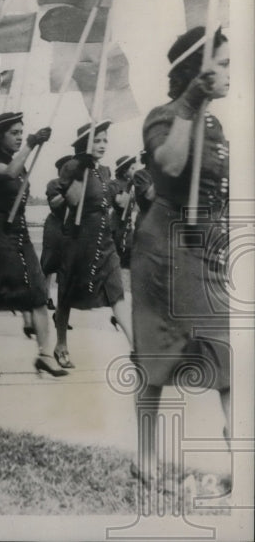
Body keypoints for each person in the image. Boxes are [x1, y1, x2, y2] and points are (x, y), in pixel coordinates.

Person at [130, 27, 231, 488]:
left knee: (224, 353)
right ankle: (146, 459)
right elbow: (170, 166)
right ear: (195, 70)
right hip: (164, 249)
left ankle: (240, 457)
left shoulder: (216, 124)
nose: (230, 73)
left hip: (205, 245)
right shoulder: (165, 115)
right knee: (159, 354)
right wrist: (190, 101)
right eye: (222, 64)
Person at [0, 112, 67, 378]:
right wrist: (31, 143)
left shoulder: (18, 159)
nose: (17, 137)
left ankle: (45, 355)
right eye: (14, 132)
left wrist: (31, 146)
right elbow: (10, 172)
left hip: (19, 230)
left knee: (38, 290)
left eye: (20, 132)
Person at [52, 121, 133, 368]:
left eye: (105, 140)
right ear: (85, 144)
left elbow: (110, 202)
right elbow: (73, 200)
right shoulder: (72, 166)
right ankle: (61, 345)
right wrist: (81, 172)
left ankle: (136, 347)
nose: (102, 145)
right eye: (96, 140)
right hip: (78, 239)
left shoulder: (106, 171)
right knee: (67, 294)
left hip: (104, 239)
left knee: (116, 292)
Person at [40, 155, 74, 319]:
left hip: (71, 226)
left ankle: (61, 309)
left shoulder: (79, 183)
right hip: (55, 224)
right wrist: (68, 191)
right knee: (48, 263)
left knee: (66, 267)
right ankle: (44, 296)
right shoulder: (54, 184)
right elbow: (54, 203)